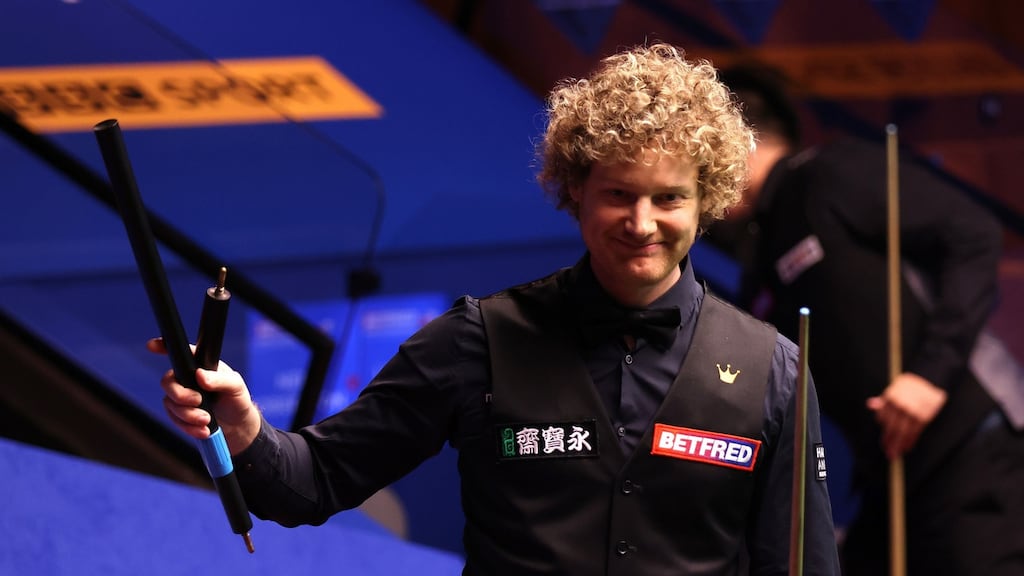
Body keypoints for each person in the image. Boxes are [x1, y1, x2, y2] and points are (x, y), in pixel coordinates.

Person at [153, 44, 840, 575]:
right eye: (618, 194)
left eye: (668, 198)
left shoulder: (772, 370)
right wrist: (242, 423)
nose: (642, 222)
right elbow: (311, 482)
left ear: (707, 200)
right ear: (575, 190)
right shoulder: (479, 340)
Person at [715, 63, 1024, 575]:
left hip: (976, 443)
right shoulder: (762, 249)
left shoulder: (826, 174)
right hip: (895, 475)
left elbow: (974, 233)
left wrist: (930, 376)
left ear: (732, 141)